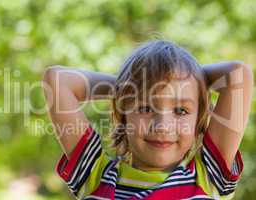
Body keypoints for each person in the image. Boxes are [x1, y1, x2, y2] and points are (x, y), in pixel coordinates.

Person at [42, 40, 254, 200]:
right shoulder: (95, 175)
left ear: (199, 120)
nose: (162, 126)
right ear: (123, 116)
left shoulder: (208, 176)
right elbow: (57, 81)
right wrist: (126, 85)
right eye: (145, 107)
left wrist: (194, 77)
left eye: (180, 110)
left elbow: (238, 76)